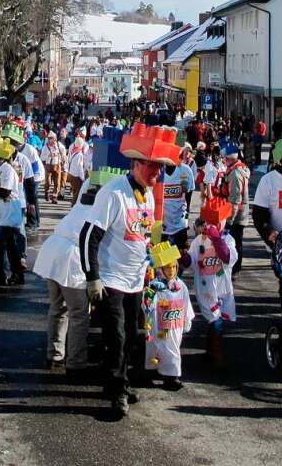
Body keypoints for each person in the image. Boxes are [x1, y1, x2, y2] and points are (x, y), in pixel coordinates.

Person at [79, 123, 181, 417]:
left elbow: (145, 234)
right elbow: (89, 236)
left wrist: (154, 263)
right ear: (136, 164)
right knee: (117, 337)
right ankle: (118, 392)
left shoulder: (146, 194)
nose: (157, 174)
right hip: (111, 279)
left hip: (136, 280)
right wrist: (93, 277)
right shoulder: (114, 193)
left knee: (133, 336)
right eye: (152, 167)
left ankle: (116, 383)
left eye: (160, 168)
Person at [32, 170, 102, 375]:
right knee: (79, 313)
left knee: (57, 308)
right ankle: (76, 363)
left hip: (53, 252)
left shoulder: (82, 202)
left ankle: (54, 355)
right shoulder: (100, 213)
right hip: (71, 259)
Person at [187, 217, 237, 369]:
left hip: (222, 288)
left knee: (218, 319)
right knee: (216, 320)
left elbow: (227, 257)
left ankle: (209, 351)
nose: (210, 226)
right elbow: (191, 261)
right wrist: (183, 256)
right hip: (205, 289)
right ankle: (217, 355)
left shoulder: (228, 239)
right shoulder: (198, 241)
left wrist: (216, 238)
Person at [143, 242, 193, 390]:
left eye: (173, 267)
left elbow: (186, 303)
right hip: (157, 325)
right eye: (167, 268)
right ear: (161, 269)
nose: (171, 271)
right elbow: (146, 307)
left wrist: (186, 320)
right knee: (154, 348)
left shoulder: (181, 285)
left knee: (173, 349)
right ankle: (152, 372)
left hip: (174, 324)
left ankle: (172, 376)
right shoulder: (154, 285)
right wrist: (150, 293)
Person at [0, 136, 25, 287]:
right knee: (10, 246)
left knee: (0, 244)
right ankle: (17, 274)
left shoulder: (7, 170)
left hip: (9, 215)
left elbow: (5, 191)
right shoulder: (1, 169)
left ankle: (1, 275)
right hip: (5, 215)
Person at [220, 145, 251, 275]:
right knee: (235, 242)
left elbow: (235, 199)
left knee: (235, 244)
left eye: (224, 158)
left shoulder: (235, 174)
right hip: (238, 214)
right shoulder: (237, 169)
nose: (223, 161)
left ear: (229, 159)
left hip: (237, 216)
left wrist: (229, 221)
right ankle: (234, 268)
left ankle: (235, 269)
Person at [160, 157, 195, 251]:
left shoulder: (185, 170)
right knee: (163, 256)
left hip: (180, 222)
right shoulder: (158, 169)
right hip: (162, 223)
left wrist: (186, 211)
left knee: (181, 254)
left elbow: (189, 192)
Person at [40, 132, 65, 204]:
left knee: (57, 183)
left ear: (55, 138)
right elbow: (42, 158)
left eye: (52, 138)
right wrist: (48, 155)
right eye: (49, 138)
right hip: (48, 166)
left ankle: (54, 197)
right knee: (48, 182)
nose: (50, 140)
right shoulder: (45, 147)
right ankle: (47, 192)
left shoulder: (59, 145)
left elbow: (63, 152)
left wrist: (62, 156)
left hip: (57, 165)